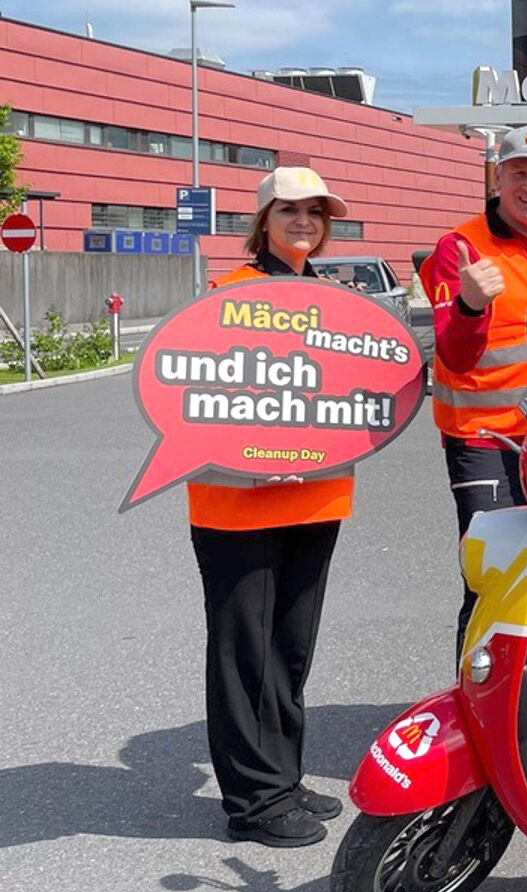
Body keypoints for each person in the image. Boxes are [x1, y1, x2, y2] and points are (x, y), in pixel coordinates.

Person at [190, 167, 354, 847]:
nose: (305, 222)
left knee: (289, 649)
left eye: (316, 213)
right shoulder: (226, 295)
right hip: (239, 501)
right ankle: (253, 803)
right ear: (263, 221)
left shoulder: (335, 300)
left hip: (316, 494)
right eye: (290, 211)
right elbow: (192, 387)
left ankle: (280, 777)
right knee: (245, 650)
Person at [419, 125, 527, 648]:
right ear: (497, 178)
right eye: (519, 173)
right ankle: (480, 707)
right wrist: (469, 304)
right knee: (494, 577)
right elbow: (455, 355)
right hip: (485, 439)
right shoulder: (460, 248)